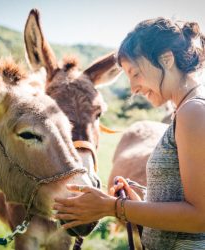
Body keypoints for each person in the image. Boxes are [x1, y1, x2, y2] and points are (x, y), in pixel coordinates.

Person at [53, 17, 205, 249]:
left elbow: (199, 217)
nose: (133, 89)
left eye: (135, 73)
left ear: (166, 59)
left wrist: (111, 207)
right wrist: (139, 204)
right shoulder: (185, 111)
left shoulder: (193, 112)